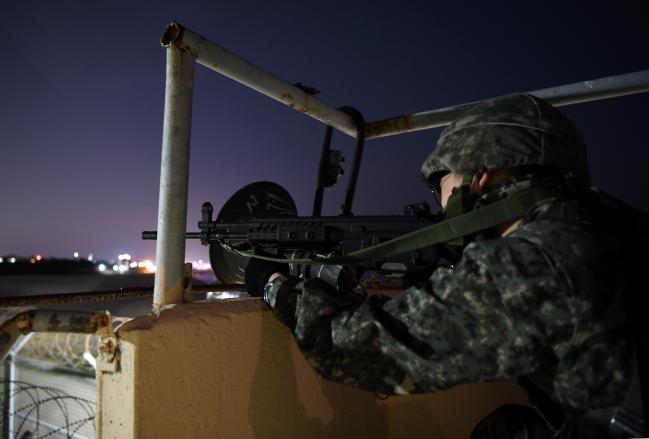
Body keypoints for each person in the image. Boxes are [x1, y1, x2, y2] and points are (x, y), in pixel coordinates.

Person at [248, 94, 648, 438]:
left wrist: (275, 284)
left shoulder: (534, 260)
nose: (439, 199)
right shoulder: (607, 223)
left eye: (441, 180)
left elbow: (355, 349)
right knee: (507, 428)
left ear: (482, 175)